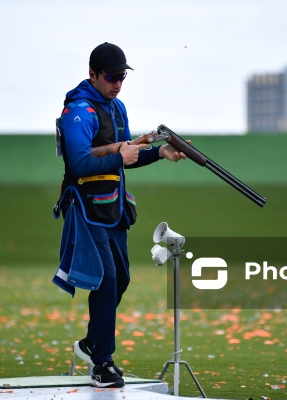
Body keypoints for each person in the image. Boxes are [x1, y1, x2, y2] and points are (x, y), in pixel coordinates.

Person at [52, 42, 187, 388]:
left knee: (121, 279)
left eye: (122, 76)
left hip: (113, 206)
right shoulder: (78, 111)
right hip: (85, 205)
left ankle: (89, 343)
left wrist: (159, 152)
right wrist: (120, 156)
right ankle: (102, 363)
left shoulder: (117, 108)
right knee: (107, 279)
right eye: (111, 76)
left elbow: (128, 155)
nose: (117, 83)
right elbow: (79, 162)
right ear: (92, 74)